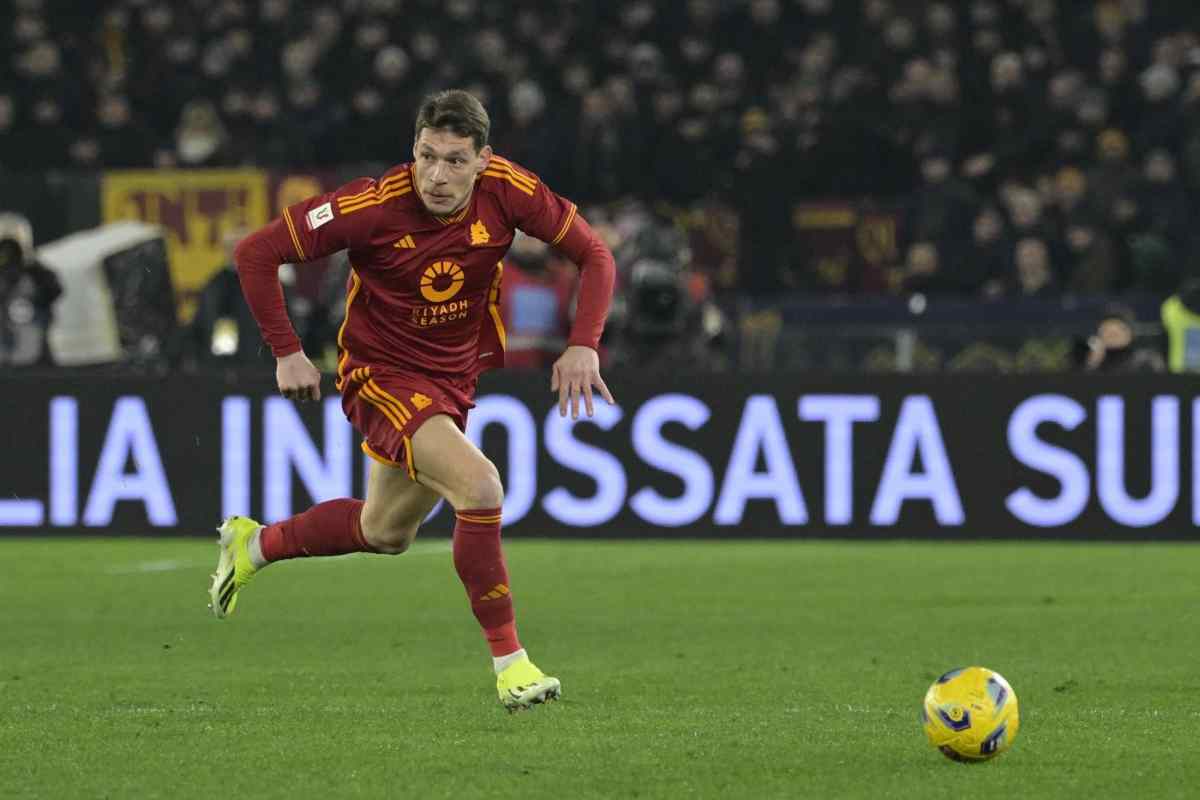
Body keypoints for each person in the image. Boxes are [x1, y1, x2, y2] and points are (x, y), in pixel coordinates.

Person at [214, 90, 616, 711]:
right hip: (381, 374)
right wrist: (287, 351)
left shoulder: (508, 190)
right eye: (427, 156)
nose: (436, 176)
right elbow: (255, 252)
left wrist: (584, 343)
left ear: (483, 160)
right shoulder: (372, 205)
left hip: (452, 380)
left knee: (384, 532)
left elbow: (594, 254)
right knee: (480, 487)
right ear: (413, 150)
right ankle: (511, 664)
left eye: (455, 160)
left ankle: (255, 545)